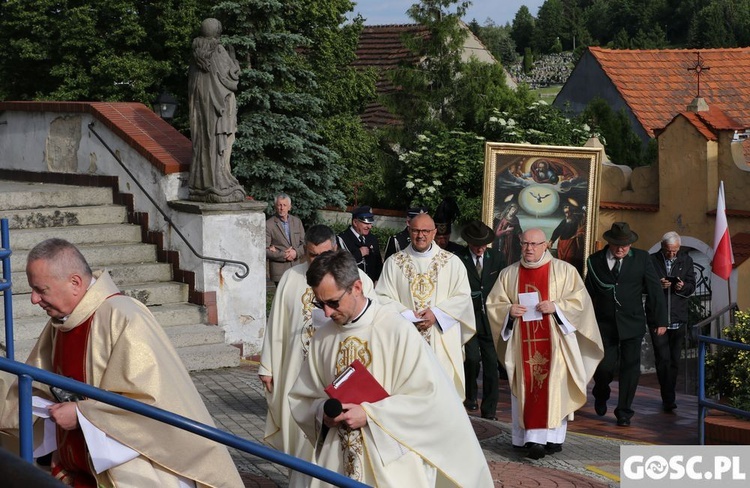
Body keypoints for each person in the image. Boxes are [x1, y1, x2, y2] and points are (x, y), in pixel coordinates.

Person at [0, 238, 242, 487]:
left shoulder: (124, 317)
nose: (34, 299)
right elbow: (36, 383)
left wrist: (83, 415)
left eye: (41, 290)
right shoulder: (62, 324)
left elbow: (152, 404)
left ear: (75, 283)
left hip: (133, 470)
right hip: (77, 466)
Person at [288, 250, 493, 487]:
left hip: (389, 461)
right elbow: (304, 398)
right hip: (334, 459)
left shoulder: (396, 330)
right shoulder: (323, 337)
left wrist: (370, 415)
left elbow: (429, 399)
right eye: (320, 303)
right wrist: (323, 411)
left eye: (333, 302)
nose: (326, 313)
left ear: (357, 287)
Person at [259, 225, 374, 461]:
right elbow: (276, 324)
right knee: (297, 433)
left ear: (334, 248)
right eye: (313, 255)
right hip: (296, 369)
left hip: (337, 370)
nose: (319, 260)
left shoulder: (357, 280)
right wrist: (267, 366)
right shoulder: (291, 278)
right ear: (304, 251)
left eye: (324, 254)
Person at [486, 228, 603, 459]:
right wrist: (508, 311)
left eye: (534, 244)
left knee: (554, 387)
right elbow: (494, 305)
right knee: (526, 386)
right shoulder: (509, 274)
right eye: (525, 244)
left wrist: (557, 307)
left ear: (546, 244)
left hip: (556, 344)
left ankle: (552, 438)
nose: (529, 248)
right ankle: (526, 439)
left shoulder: (564, 271)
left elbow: (581, 303)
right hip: (522, 344)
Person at [375, 213, 475, 399]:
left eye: (425, 231)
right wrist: (406, 314)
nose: (420, 235)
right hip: (406, 336)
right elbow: (381, 296)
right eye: (415, 231)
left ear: (434, 232)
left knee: (441, 394)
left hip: (440, 336)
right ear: (409, 231)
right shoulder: (394, 263)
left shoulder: (451, 263)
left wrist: (436, 314)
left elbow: (462, 297)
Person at [585, 222, 668, 427]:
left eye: (626, 245)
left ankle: (624, 412)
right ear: (609, 243)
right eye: (617, 245)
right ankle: (601, 392)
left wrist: (660, 320)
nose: (621, 249)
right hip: (604, 325)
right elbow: (587, 295)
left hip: (633, 323)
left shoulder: (642, 258)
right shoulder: (594, 261)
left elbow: (654, 290)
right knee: (604, 367)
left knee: (630, 369)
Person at [187, 17, 247, 203]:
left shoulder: (196, 55)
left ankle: (202, 183)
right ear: (217, 31)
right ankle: (219, 181)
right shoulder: (218, 50)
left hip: (202, 114)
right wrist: (235, 61)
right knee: (222, 147)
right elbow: (231, 80)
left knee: (205, 145)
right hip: (220, 110)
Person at [457, 220, 505, 419]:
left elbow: (503, 283)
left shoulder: (497, 258)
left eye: (483, 244)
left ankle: (490, 409)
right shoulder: (458, 259)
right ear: (469, 243)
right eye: (476, 244)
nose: (480, 248)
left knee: (492, 364)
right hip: (467, 317)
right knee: (472, 359)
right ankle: (470, 397)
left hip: (491, 320)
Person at [650, 231, 696, 412]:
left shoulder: (686, 260)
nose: (672, 254)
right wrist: (657, 285)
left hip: (678, 318)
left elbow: (692, 285)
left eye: (675, 251)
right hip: (657, 319)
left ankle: (669, 394)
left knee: (675, 360)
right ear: (662, 247)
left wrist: (682, 287)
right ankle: (667, 397)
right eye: (669, 251)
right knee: (663, 359)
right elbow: (643, 284)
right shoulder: (651, 260)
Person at [266, 193, 305, 285]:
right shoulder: (269, 224)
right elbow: (265, 249)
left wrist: (295, 252)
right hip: (280, 272)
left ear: (289, 207)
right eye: (279, 205)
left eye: (284, 205)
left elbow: (305, 244)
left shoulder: (297, 222)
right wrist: (283, 255)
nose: (282, 208)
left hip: (297, 269)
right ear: (275, 206)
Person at [337, 205, 383, 282]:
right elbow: (340, 265)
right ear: (355, 222)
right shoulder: (342, 239)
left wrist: (377, 281)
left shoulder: (372, 239)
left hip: (370, 287)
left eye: (370, 223)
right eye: (366, 223)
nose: (369, 227)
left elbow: (378, 265)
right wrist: (359, 254)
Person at [549, 204, 585, 271]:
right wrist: (551, 241)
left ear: (571, 212)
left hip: (571, 243)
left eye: (569, 212)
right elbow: (557, 230)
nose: (567, 214)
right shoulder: (564, 221)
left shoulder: (577, 221)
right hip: (562, 243)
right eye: (566, 212)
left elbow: (582, 226)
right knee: (560, 261)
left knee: (570, 260)